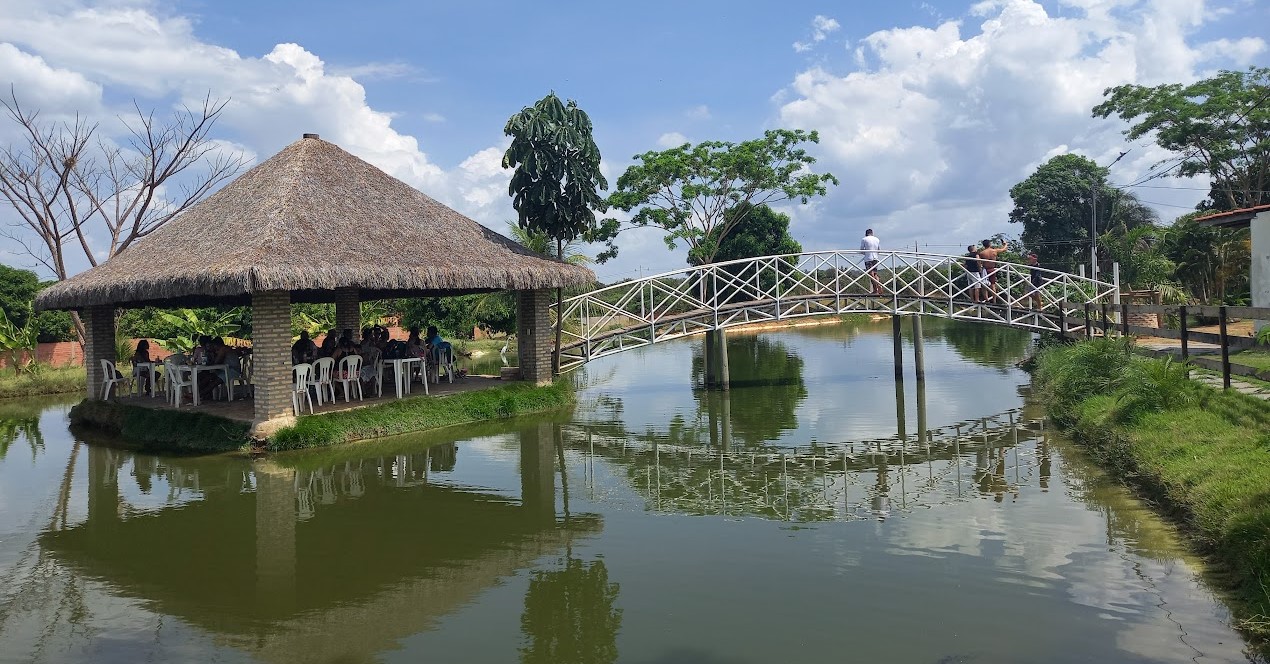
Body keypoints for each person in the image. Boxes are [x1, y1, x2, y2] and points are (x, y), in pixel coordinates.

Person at [978, 238, 1008, 303]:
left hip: (985, 270)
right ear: (989, 244)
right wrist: (1005, 244)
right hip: (992, 269)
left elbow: (979, 262)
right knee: (993, 285)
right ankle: (994, 301)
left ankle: (987, 300)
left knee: (984, 286)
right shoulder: (994, 251)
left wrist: (980, 268)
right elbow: (1004, 249)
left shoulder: (982, 253)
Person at [859, 229, 883, 295]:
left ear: (866, 234)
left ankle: (875, 290)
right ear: (872, 233)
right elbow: (879, 250)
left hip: (868, 258)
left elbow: (861, 250)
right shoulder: (877, 239)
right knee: (875, 274)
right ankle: (879, 285)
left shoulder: (864, 239)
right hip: (875, 258)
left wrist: (866, 254)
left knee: (871, 274)